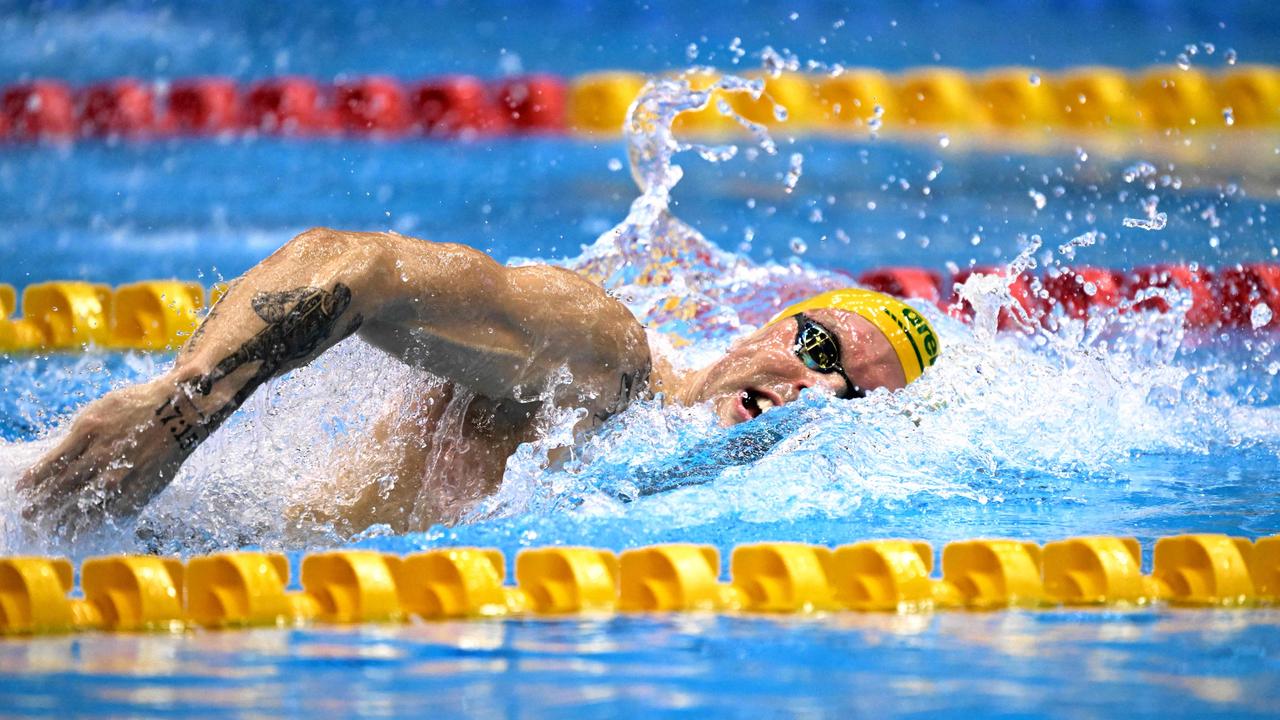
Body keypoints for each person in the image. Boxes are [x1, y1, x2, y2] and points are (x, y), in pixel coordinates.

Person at [18, 228, 939, 539]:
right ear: (773, 325)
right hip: (122, 532)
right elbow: (357, 264)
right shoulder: (605, 365)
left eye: (851, 397)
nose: (814, 391)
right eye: (821, 351)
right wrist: (184, 404)